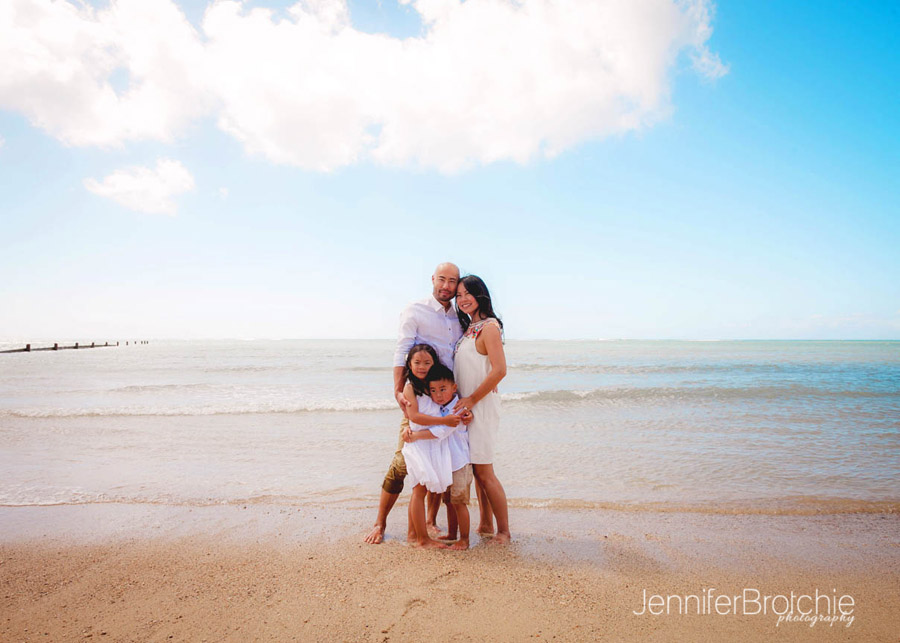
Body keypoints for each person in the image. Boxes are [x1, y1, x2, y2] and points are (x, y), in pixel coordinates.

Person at [364, 263, 464, 545]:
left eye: (452, 281)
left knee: (439, 460)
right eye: (442, 279)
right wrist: (398, 390)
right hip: (418, 395)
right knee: (402, 462)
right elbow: (402, 349)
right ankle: (380, 522)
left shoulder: (459, 316)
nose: (446, 286)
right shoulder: (415, 309)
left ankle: (429, 522)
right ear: (433, 279)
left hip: (445, 398)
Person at [453, 275, 511, 544]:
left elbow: (500, 370)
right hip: (468, 407)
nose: (463, 299)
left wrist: (472, 399)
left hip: (481, 405)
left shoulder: (489, 327)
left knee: (485, 471)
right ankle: (486, 523)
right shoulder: (469, 328)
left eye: (468, 293)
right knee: (477, 469)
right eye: (459, 295)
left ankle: (504, 531)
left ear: (480, 295)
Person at [403, 363, 473, 550]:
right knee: (449, 502)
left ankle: (464, 539)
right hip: (446, 463)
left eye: (443, 389)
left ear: (454, 388)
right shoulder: (438, 406)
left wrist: (416, 436)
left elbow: (441, 431)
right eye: (433, 390)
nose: (438, 395)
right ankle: (452, 533)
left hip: (459, 462)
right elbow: (422, 419)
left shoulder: (458, 408)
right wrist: (408, 427)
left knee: (459, 503)